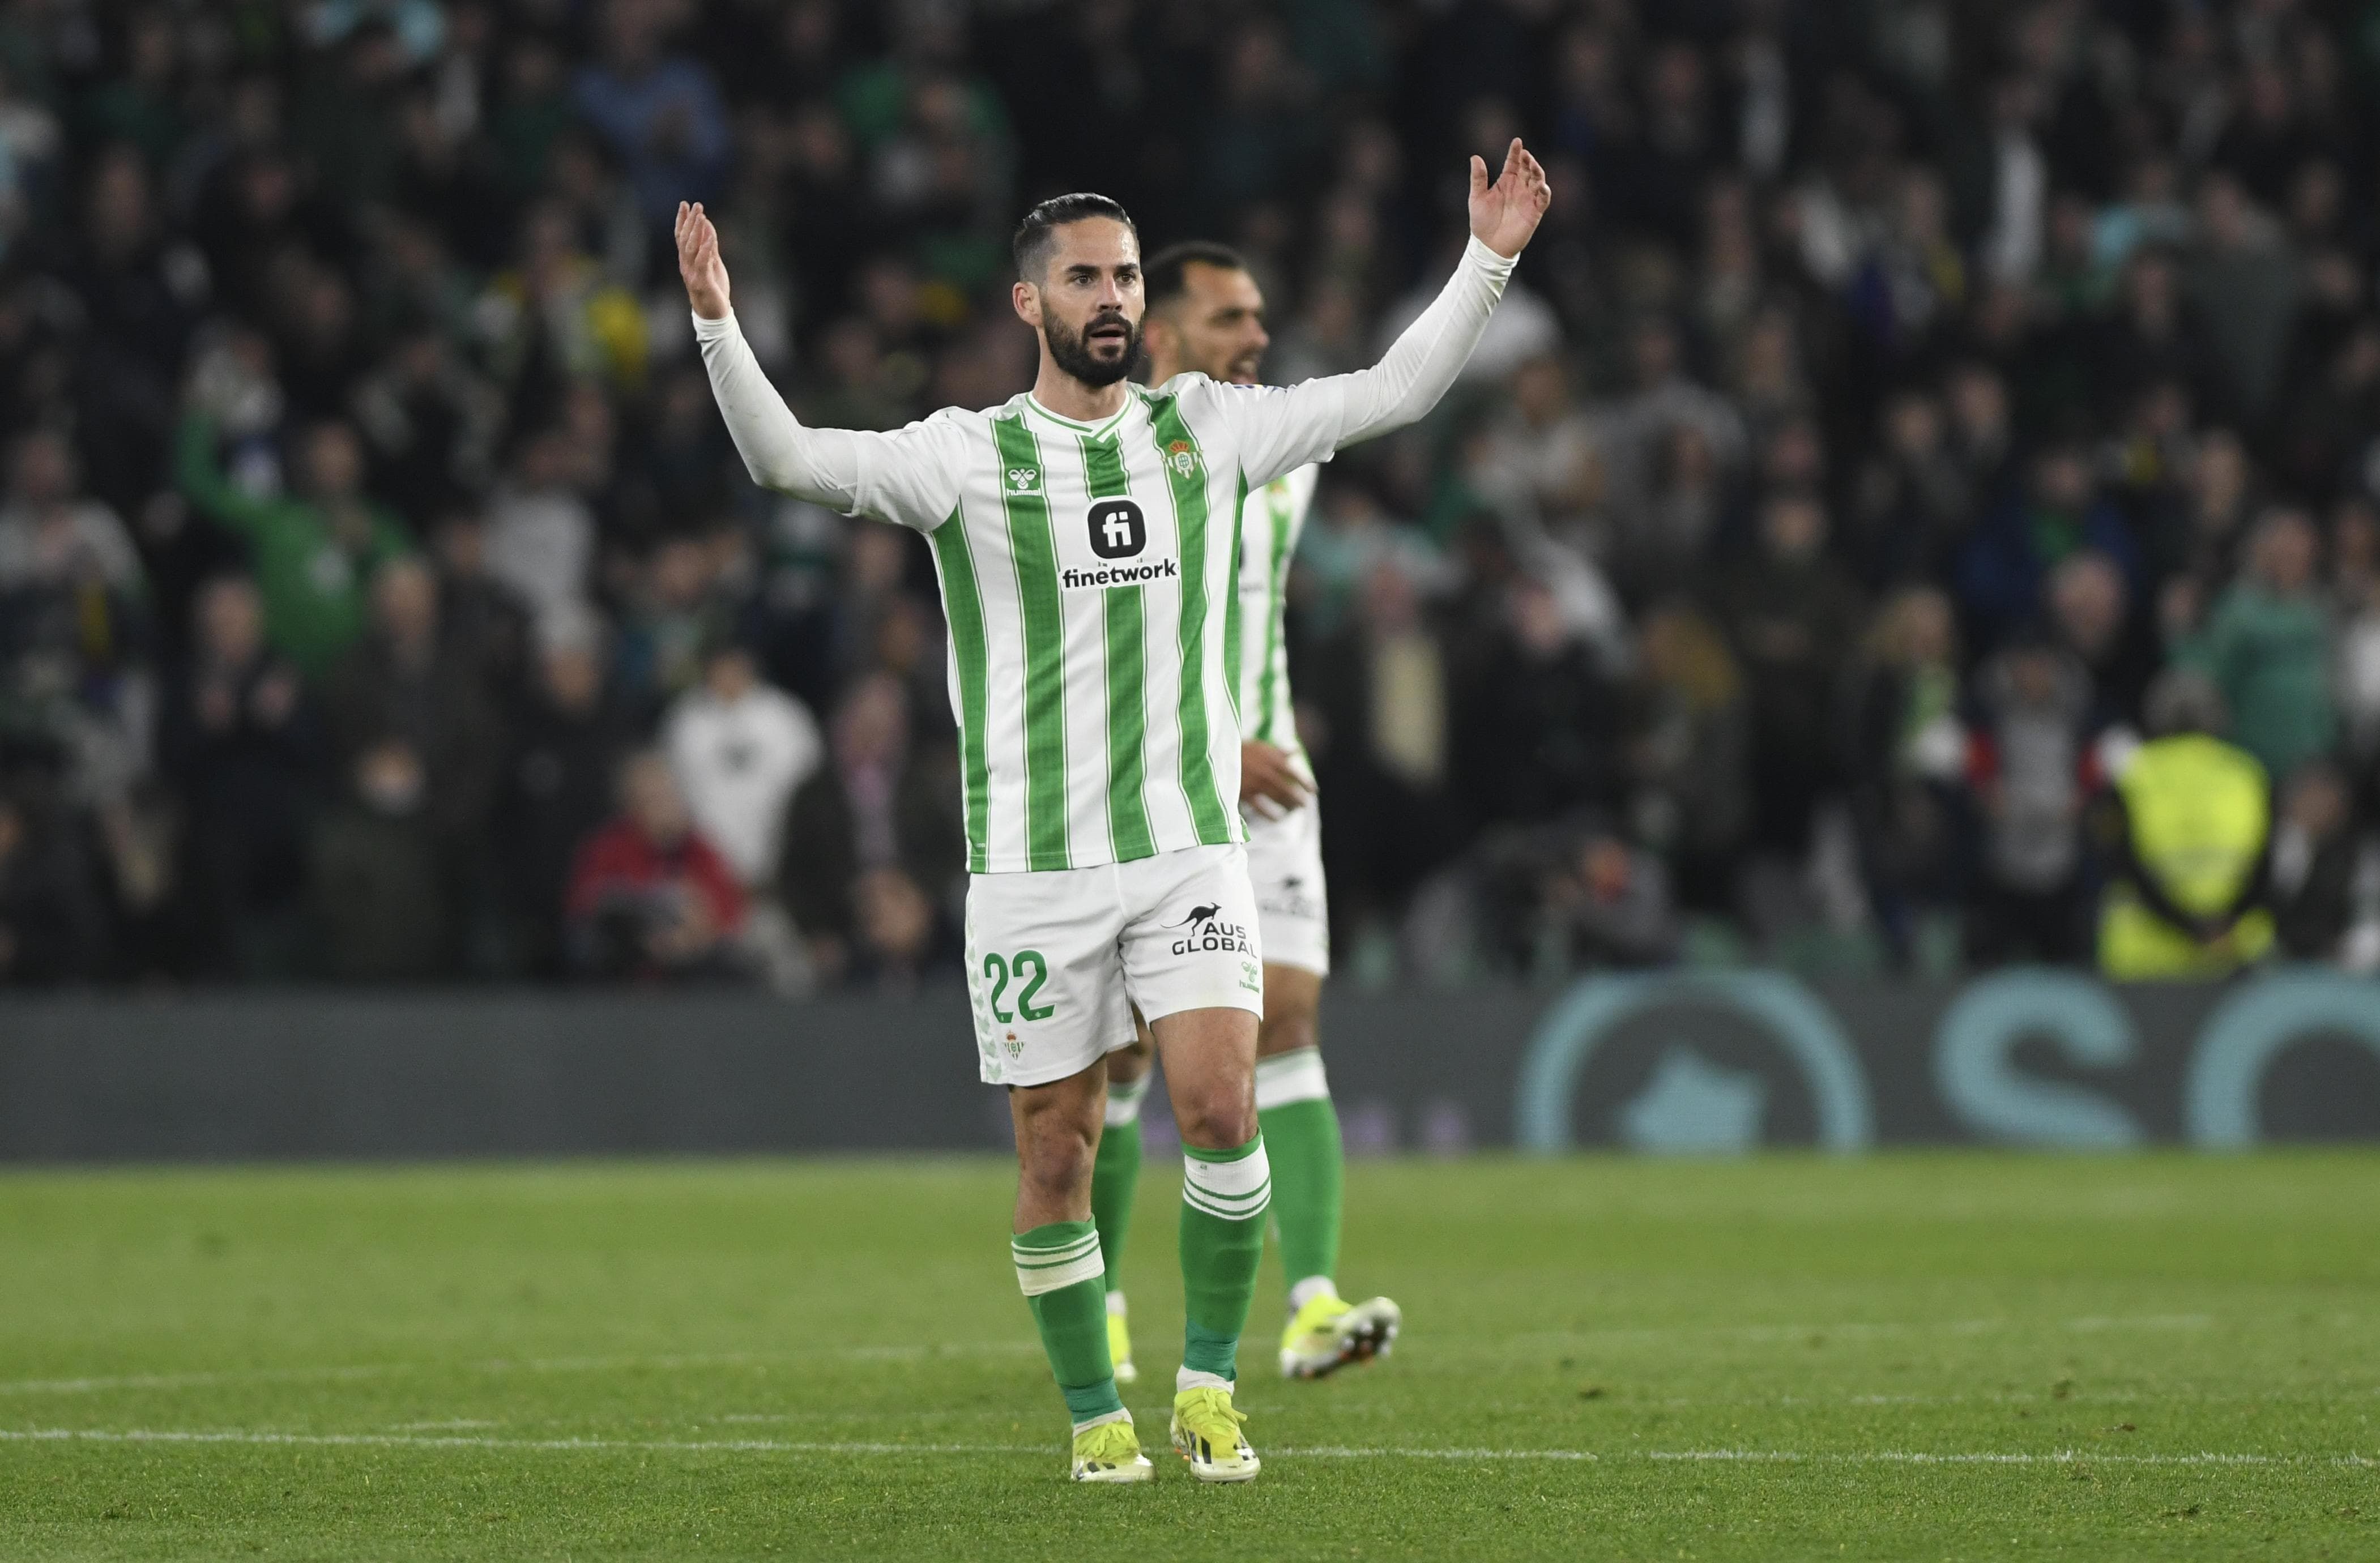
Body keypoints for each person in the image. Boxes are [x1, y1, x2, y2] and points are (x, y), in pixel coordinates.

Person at [678, 138, 1549, 1483]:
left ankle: (1208, 1386)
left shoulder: (1205, 431)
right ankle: (1095, 1411)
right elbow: (788, 460)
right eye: (1085, 277)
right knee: (1055, 1154)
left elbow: (1395, 390)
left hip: (1185, 852)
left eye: (1128, 277)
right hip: (1030, 870)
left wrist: (1488, 258)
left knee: (1216, 1105)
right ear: (1028, 302)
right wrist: (718, 323)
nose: (1112, 299)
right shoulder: (965, 461)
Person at [1091, 240, 1403, 1398]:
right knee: (1121, 1056)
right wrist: (1208, 743)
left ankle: (1313, 1304)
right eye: (1230, 320)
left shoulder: (1276, 439)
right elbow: (1102, 640)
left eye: (1260, 316)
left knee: (1289, 1020)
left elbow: (1397, 383)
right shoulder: (1109, 454)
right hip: (1149, 779)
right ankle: (1109, 1307)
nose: (1257, 340)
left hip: (1268, 780)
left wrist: (1485, 263)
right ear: (1163, 334)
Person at [2094, 671, 2274, 980]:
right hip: (2234, 950)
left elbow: (2120, 863)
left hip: (2147, 957)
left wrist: (2189, 928)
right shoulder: (2247, 773)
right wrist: (2221, 927)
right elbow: (2266, 866)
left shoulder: (2132, 775)